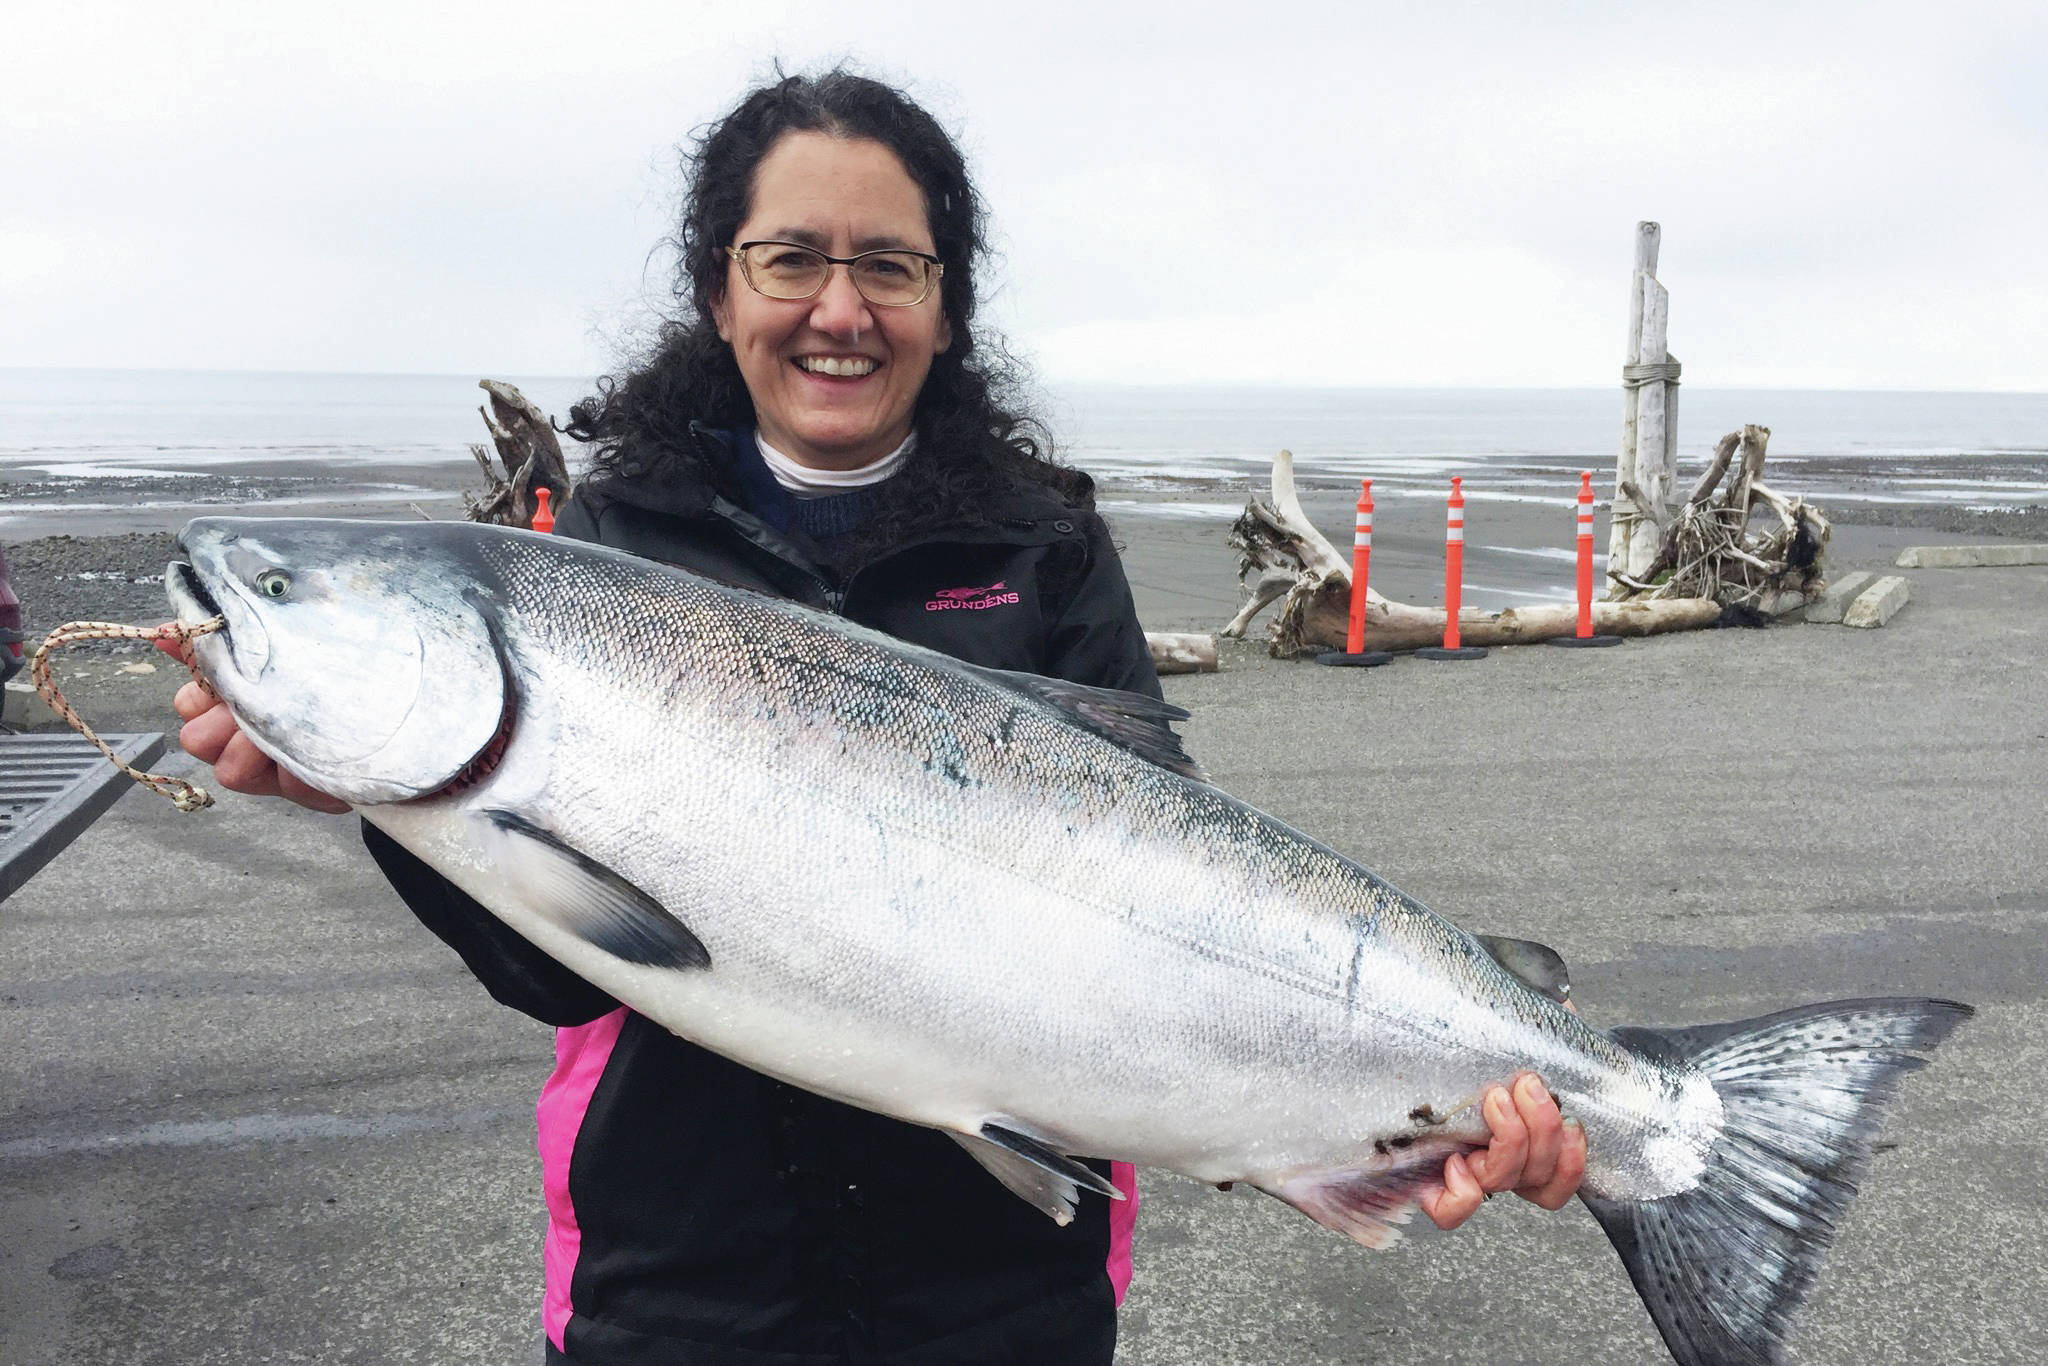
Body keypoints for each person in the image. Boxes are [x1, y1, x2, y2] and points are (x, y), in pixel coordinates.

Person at [171, 69, 1585, 1366]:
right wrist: (369, 798)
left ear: (944, 303)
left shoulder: (1045, 545)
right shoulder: (609, 550)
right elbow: (564, 972)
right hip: (681, 1291)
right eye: (788, 258)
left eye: (888, 266)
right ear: (719, 295)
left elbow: (1175, 899)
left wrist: (1437, 1102)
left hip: (1003, 1302)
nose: (838, 308)